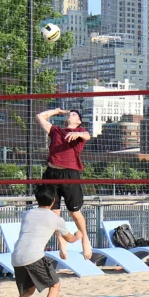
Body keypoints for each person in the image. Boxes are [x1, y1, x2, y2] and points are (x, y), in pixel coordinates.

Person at [5, 184, 82, 297]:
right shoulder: (55, 218)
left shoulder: (27, 214)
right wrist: (79, 235)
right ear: (53, 200)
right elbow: (70, 239)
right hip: (34, 257)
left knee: (28, 291)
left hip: (16, 257)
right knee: (55, 286)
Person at [36, 107, 92, 260]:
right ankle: (61, 241)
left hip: (69, 174)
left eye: (73, 114)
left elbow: (87, 136)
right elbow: (40, 116)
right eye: (69, 113)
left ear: (78, 121)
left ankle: (85, 239)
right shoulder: (56, 131)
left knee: (74, 212)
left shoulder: (81, 131)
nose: (70, 115)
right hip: (51, 173)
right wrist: (56, 111)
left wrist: (78, 133)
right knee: (54, 213)